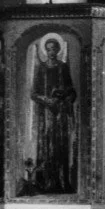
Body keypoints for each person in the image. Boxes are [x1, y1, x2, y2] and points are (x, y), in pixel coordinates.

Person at [30, 37, 76, 193]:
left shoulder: (63, 67)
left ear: (58, 50)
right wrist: (47, 100)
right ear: (45, 50)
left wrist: (66, 96)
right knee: (47, 146)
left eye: (54, 49)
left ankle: (63, 181)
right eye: (48, 49)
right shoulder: (41, 68)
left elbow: (72, 90)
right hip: (46, 113)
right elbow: (33, 93)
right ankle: (48, 182)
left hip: (61, 112)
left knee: (61, 146)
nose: (51, 52)